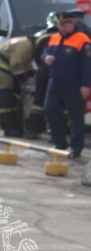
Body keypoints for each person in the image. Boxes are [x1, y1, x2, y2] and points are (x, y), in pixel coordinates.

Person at [42, 11, 91, 158]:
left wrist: (85, 85)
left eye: (65, 24)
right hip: (55, 84)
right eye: (59, 24)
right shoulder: (54, 38)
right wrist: (46, 58)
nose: (61, 28)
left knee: (76, 118)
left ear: (72, 23)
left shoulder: (83, 39)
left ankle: (76, 148)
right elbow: (46, 52)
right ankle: (60, 144)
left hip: (74, 86)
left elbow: (87, 64)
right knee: (50, 110)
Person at [0, 35, 37, 137]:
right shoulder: (26, 46)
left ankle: (16, 127)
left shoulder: (28, 45)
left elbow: (27, 64)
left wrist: (31, 74)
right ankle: (8, 128)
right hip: (1, 69)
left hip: (7, 69)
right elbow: (16, 65)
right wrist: (27, 79)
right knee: (6, 98)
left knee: (13, 98)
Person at [26, 14, 59, 139]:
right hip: (58, 76)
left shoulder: (39, 36)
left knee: (38, 103)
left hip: (43, 74)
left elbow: (36, 57)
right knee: (58, 105)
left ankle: (34, 130)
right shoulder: (63, 37)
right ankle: (54, 131)